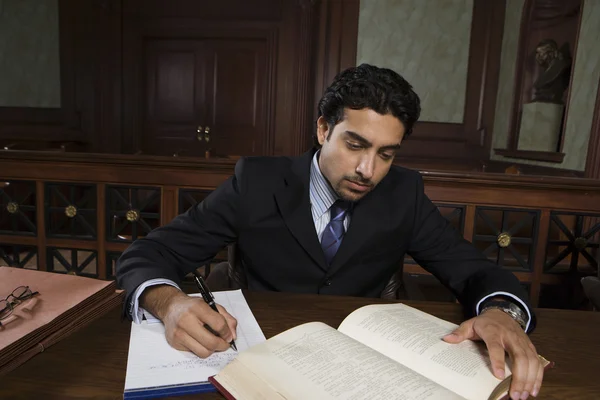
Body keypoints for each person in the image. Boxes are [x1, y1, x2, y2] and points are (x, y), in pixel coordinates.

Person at [116, 64, 544, 400]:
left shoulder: (404, 193)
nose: (368, 170)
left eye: (386, 154)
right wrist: (169, 303)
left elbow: (475, 272)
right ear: (323, 129)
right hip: (264, 363)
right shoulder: (257, 182)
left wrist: (502, 314)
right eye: (355, 145)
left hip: (367, 375)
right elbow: (146, 255)